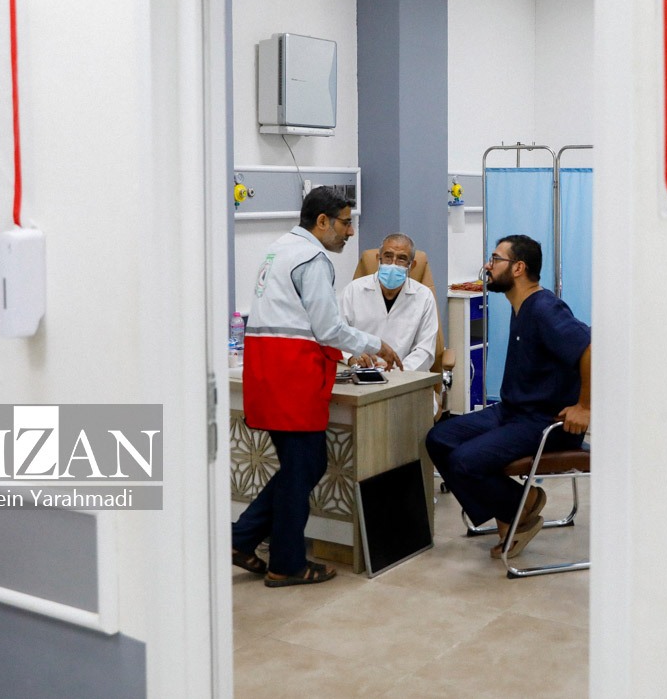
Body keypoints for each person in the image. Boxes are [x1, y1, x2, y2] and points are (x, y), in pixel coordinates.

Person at [231, 186, 403, 587]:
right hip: (291, 374)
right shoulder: (312, 258)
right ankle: (285, 563)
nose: (350, 232)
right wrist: (374, 345)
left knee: (302, 466)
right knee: (303, 468)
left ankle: (241, 539)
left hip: (267, 369)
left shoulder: (277, 250)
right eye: (345, 223)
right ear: (322, 221)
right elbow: (327, 328)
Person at [425, 234, 591, 560]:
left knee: (465, 461)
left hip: (545, 422)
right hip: (513, 412)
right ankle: (519, 507)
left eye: (495, 259)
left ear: (518, 268)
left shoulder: (544, 308)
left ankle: (515, 511)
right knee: (439, 438)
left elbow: (588, 348)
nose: (488, 266)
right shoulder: (522, 307)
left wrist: (584, 407)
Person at [338, 232, 438, 372]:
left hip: (406, 376)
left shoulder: (424, 296)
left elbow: (425, 350)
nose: (393, 264)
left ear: (412, 265)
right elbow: (336, 335)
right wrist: (351, 358)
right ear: (378, 259)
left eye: (401, 259)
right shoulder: (353, 290)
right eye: (388, 256)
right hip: (362, 372)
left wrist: (399, 371)